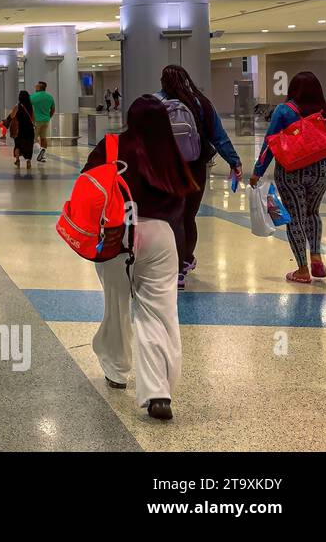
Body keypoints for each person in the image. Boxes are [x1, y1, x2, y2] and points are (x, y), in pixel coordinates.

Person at [83, 96, 198, 420]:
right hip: (161, 238)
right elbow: (185, 199)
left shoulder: (110, 147)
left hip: (116, 234)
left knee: (117, 304)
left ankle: (116, 369)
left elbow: (87, 184)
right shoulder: (170, 150)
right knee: (158, 314)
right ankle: (158, 390)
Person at [156, 64, 242, 288]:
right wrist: (234, 161)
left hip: (165, 168)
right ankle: (183, 265)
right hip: (195, 167)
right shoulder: (201, 103)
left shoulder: (155, 102)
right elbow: (219, 136)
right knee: (188, 216)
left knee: (169, 218)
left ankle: (169, 266)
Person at [250, 71, 326, 284]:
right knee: (313, 213)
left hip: (291, 171)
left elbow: (270, 143)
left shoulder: (284, 111)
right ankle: (316, 256)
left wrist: (258, 171)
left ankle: (302, 270)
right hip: (321, 170)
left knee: (295, 217)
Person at [8, 90, 36, 170]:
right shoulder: (31, 106)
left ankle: (17, 160)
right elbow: (33, 119)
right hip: (29, 129)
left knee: (18, 145)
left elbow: (12, 116)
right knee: (29, 145)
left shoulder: (17, 106)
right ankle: (28, 161)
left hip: (19, 129)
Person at [30, 81, 55, 162]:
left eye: (36, 86)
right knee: (43, 138)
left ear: (39, 87)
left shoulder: (33, 96)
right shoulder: (50, 97)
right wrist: (48, 117)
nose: (35, 87)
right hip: (46, 120)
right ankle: (43, 155)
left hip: (36, 121)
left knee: (33, 139)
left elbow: (27, 107)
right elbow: (53, 109)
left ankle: (37, 153)